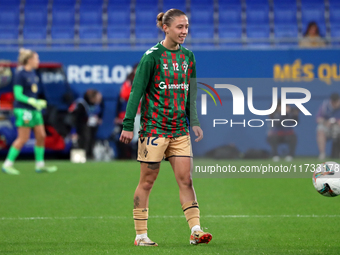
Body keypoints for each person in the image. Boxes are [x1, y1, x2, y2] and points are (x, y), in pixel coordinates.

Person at [119, 9, 212, 246]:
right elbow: (136, 92)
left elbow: (191, 90)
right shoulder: (152, 57)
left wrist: (195, 121)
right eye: (180, 27)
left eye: (187, 27)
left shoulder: (188, 57)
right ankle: (140, 235)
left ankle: (196, 230)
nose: (184, 32)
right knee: (147, 182)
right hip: (154, 131)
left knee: (186, 180)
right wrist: (128, 125)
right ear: (166, 28)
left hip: (180, 130)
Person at [2, 48, 57, 175]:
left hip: (34, 110)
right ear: (30, 60)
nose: (38, 61)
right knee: (23, 138)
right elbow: (18, 94)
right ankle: (7, 164)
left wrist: (38, 103)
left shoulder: (33, 74)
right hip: (24, 110)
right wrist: (32, 101)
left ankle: (39, 165)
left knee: (41, 136)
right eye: (36, 59)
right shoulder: (20, 75)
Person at [69, 89, 103, 159]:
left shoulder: (96, 105)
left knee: (90, 138)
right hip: (78, 126)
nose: (99, 100)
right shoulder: (81, 104)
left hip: (88, 125)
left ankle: (89, 154)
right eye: (97, 98)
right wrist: (74, 131)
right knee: (84, 139)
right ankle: (83, 156)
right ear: (92, 98)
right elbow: (75, 118)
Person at [115, 63, 139, 159]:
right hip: (130, 114)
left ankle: (139, 154)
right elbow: (124, 95)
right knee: (130, 136)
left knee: (141, 136)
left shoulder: (149, 80)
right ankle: (130, 155)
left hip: (144, 113)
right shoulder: (129, 82)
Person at [316, 93, 340, 160]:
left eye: (336, 101)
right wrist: (325, 122)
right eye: (333, 101)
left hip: (338, 127)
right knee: (320, 129)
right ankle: (322, 154)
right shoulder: (325, 106)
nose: (334, 103)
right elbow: (318, 119)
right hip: (328, 127)